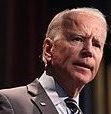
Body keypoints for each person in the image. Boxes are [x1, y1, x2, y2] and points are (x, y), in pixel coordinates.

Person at [0, 7, 107, 114]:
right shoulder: (11, 103)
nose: (89, 51)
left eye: (96, 45)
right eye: (78, 39)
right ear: (48, 49)